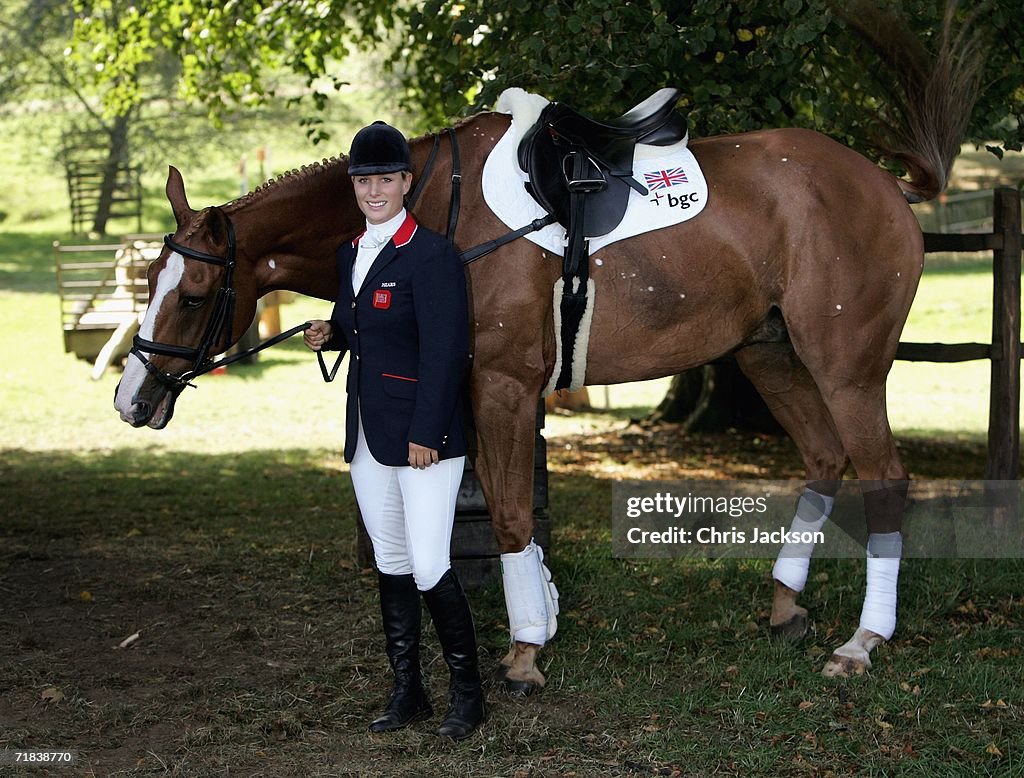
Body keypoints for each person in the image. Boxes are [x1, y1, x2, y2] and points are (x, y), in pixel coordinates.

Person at [304, 121, 484, 740]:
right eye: (363, 179)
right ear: (353, 185)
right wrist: (332, 331)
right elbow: (361, 322)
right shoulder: (349, 254)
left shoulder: (433, 255)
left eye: (385, 178)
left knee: (431, 564)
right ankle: (409, 691)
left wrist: (428, 433)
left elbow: (446, 352)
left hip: (422, 437)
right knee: (391, 562)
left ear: (406, 182)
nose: (373, 189)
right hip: (367, 434)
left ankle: (469, 695)